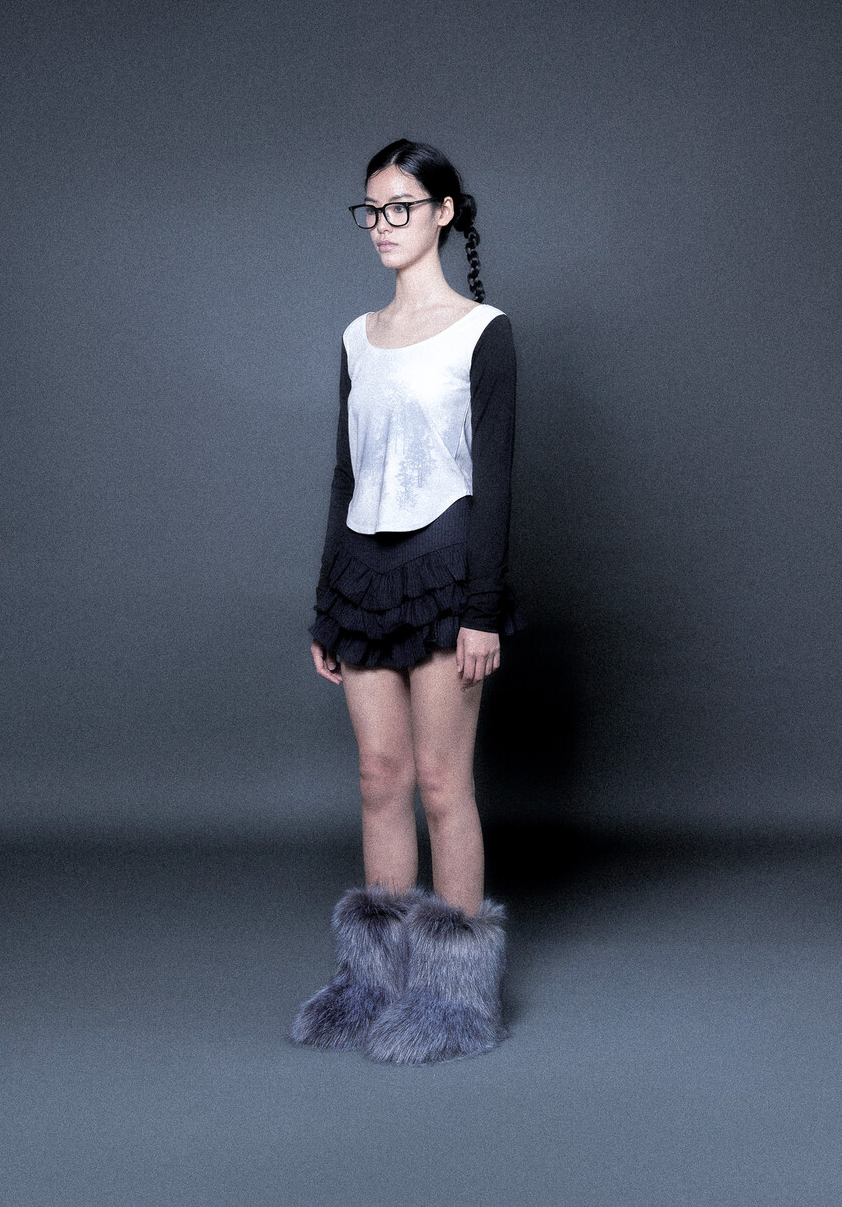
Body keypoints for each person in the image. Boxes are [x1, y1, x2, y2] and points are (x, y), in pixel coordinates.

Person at [288, 138, 527, 1065]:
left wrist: (482, 608)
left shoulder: (483, 332)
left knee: (439, 783)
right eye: (371, 210)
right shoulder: (358, 336)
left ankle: (454, 999)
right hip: (363, 572)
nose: (382, 226)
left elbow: (494, 483)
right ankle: (374, 986)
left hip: (446, 569)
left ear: (444, 213)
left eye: (401, 208)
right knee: (379, 778)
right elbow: (345, 473)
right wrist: (327, 604)